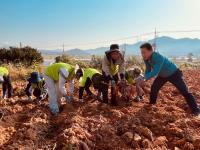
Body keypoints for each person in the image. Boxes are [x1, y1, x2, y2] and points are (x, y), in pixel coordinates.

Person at [139, 43, 200, 116]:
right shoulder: (146, 58)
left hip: (174, 73)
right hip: (162, 76)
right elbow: (148, 69)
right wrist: (145, 77)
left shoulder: (158, 57)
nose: (142, 54)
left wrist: (144, 78)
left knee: (184, 91)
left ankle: (196, 110)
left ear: (151, 50)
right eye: (141, 52)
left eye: (144, 52)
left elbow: (155, 71)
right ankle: (152, 105)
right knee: (154, 87)